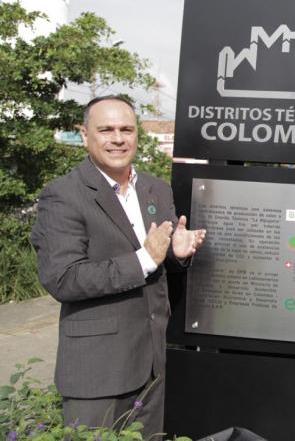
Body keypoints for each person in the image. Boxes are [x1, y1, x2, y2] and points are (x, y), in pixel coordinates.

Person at [31, 95, 206, 436]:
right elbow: (63, 278)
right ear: (84, 135)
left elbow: (161, 260)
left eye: (126, 129)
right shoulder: (63, 195)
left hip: (152, 367)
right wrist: (145, 259)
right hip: (97, 373)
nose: (118, 138)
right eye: (106, 129)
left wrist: (178, 254)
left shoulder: (155, 189)